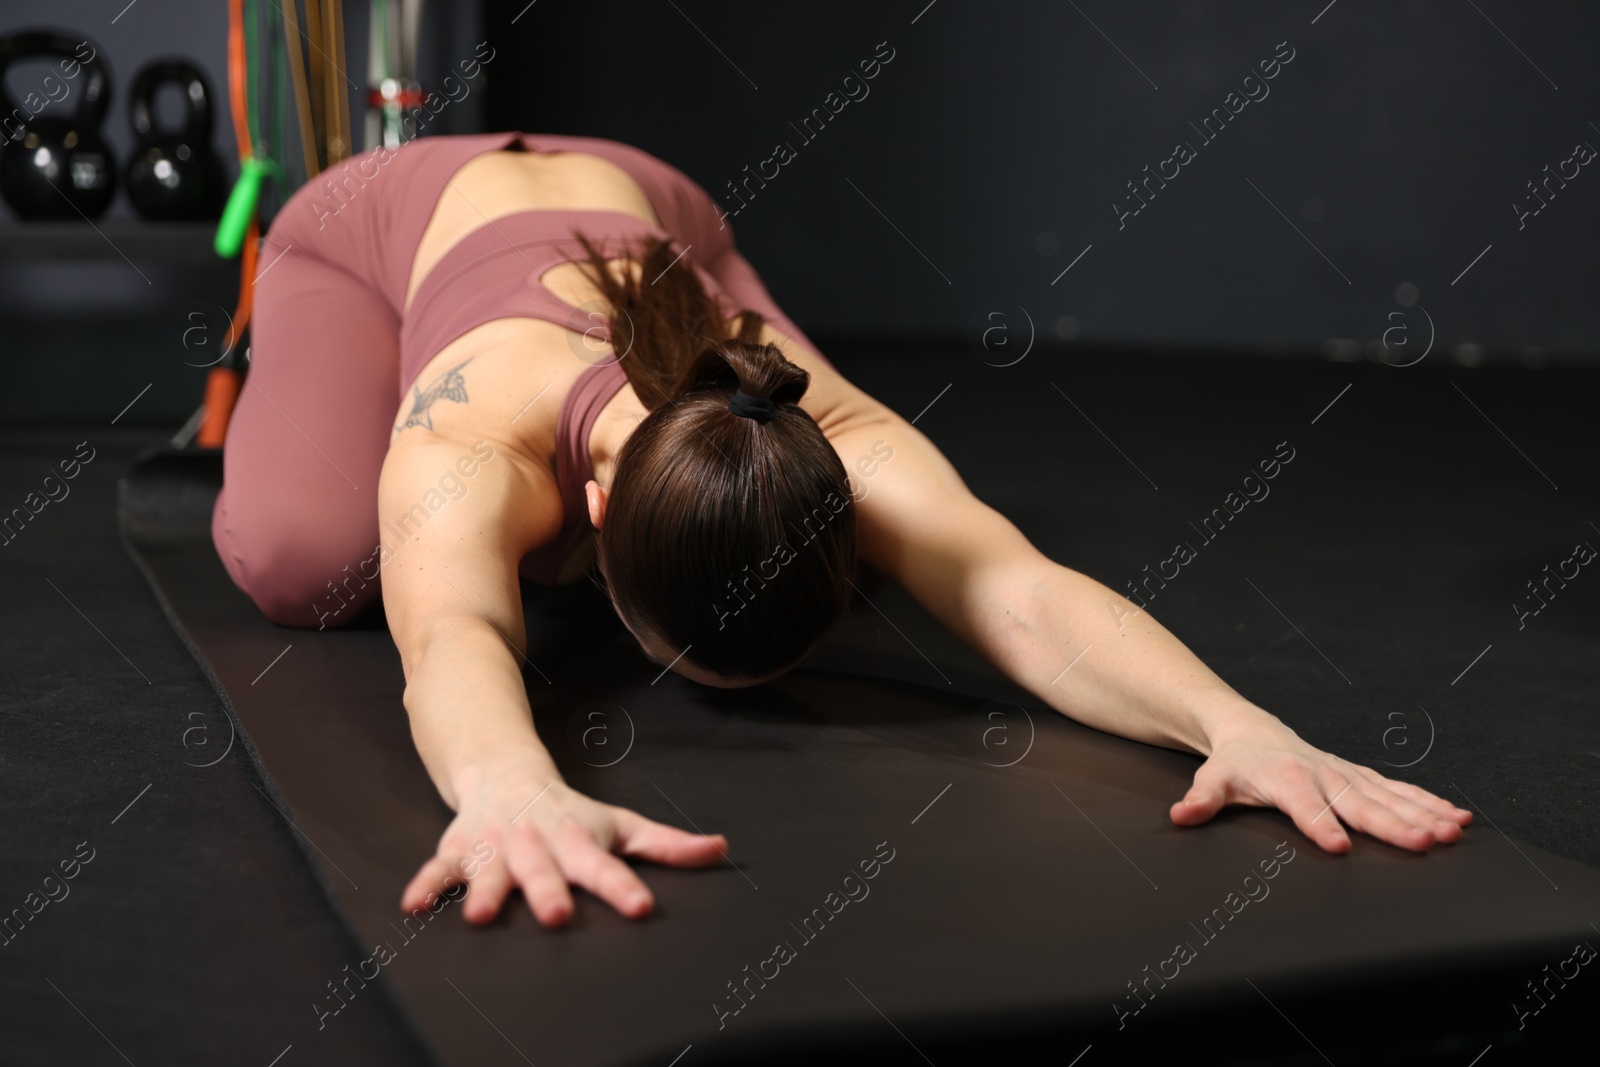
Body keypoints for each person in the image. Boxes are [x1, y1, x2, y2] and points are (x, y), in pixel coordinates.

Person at [213, 132, 1472, 928]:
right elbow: (454, 635)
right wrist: (508, 787)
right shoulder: (469, 432)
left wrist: (1238, 723)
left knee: (835, 542)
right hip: (376, 216)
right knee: (304, 558)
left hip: (656, 198)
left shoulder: (819, 421)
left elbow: (1014, 584)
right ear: (593, 514)